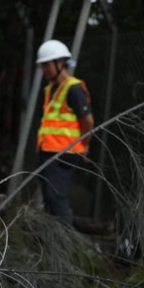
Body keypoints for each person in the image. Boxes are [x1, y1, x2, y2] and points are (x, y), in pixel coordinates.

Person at [35, 39, 93, 229]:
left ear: (60, 63)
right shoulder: (50, 89)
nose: (43, 69)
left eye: (46, 65)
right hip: (47, 150)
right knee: (49, 200)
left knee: (56, 197)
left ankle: (66, 243)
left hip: (64, 153)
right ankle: (54, 241)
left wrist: (84, 145)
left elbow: (88, 121)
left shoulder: (74, 88)